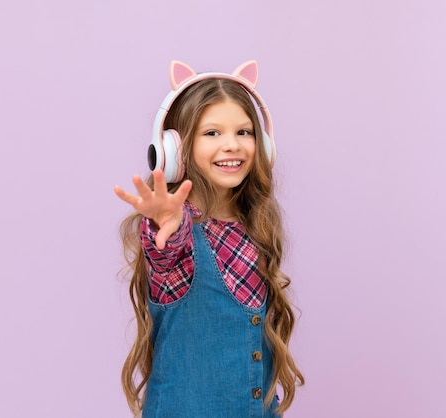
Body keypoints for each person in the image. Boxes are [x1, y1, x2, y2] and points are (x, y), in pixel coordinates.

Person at [114, 60, 304, 417]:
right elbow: (164, 249)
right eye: (212, 133)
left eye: (244, 132)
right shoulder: (176, 235)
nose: (231, 145)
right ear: (175, 149)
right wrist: (162, 223)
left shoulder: (256, 227)